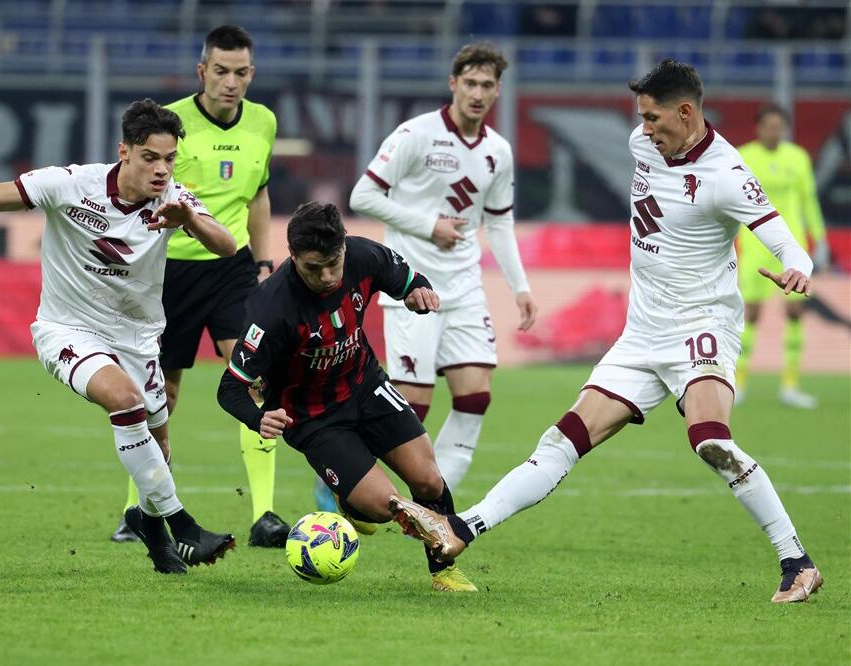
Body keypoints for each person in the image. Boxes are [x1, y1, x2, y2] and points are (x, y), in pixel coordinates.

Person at [389, 60, 824, 604]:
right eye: (641, 118)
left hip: (701, 326)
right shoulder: (644, 145)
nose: (644, 129)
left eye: (653, 118)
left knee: (710, 440)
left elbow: (786, 241)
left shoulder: (726, 174)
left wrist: (797, 269)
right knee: (561, 440)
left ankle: (797, 562)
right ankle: (461, 529)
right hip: (641, 334)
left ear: (685, 112)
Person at [0, 99, 238, 575]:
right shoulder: (72, 184)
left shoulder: (174, 199)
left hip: (137, 336)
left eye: (169, 159)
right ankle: (183, 525)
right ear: (124, 152)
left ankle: (148, 524)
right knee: (124, 401)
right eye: (150, 157)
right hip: (68, 329)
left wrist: (188, 219)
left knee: (158, 442)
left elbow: (226, 245)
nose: (161, 170)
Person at [217, 202, 478, 592]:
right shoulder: (270, 308)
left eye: (332, 264)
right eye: (312, 268)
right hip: (314, 419)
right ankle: (353, 500)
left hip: (366, 386)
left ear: (343, 248)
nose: (325, 277)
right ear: (292, 256)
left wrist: (417, 292)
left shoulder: (363, 255)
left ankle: (444, 572)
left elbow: (408, 279)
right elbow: (229, 388)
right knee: (381, 506)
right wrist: (258, 418)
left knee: (428, 480)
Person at [110, 26, 291, 548]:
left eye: (241, 73)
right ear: (202, 71)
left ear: (252, 74)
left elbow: (258, 195)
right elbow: (129, 190)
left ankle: (265, 515)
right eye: (221, 71)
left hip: (232, 267)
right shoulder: (168, 125)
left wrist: (264, 261)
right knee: (159, 393)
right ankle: (138, 510)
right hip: (170, 272)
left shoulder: (264, 121)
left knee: (255, 377)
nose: (231, 82)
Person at [349, 41, 536, 493]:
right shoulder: (416, 134)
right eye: (470, 83)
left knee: (475, 397)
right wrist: (429, 225)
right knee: (413, 407)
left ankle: (437, 503)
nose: (477, 93)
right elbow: (362, 196)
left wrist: (521, 287)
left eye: (487, 85)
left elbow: (500, 222)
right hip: (411, 286)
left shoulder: (498, 151)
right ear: (453, 83)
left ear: (498, 90)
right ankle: (352, 472)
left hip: (465, 287)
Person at [735, 103, 829, 409]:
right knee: (751, 314)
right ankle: (739, 384)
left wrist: (820, 240)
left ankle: (790, 385)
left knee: (795, 311)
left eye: (778, 127)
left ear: (785, 129)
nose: (773, 132)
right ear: (758, 128)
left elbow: (808, 201)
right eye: (768, 126)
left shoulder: (798, 158)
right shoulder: (742, 156)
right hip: (754, 248)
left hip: (791, 247)